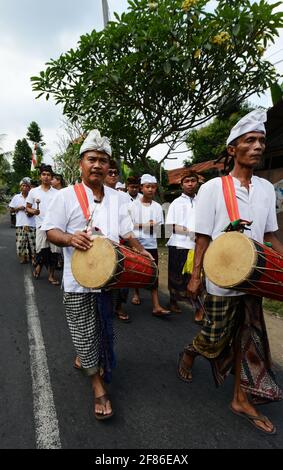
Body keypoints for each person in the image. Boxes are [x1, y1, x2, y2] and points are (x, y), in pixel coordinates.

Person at [178, 109, 283, 435]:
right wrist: (196, 276)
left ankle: (240, 398)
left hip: (254, 279)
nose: (257, 146)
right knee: (214, 337)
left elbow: (269, 236)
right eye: (249, 140)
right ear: (231, 149)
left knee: (246, 341)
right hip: (221, 278)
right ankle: (191, 351)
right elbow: (203, 236)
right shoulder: (212, 189)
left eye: (261, 141)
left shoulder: (266, 189)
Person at [42, 129, 150, 419]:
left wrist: (142, 252)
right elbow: (51, 230)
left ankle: (87, 355)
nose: (98, 165)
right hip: (76, 282)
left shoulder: (118, 199)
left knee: (101, 331)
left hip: (108, 281)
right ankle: (97, 385)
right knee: (83, 330)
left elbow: (127, 234)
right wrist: (69, 239)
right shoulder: (65, 196)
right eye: (92, 159)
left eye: (103, 160)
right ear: (81, 163)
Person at [129, 174, 171, 316]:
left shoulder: (158, 207)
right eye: (147, 187)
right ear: (141, 188)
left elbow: (159, 227)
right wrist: (145, 225)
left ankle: (156, 305)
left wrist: (149, 226)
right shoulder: (133, 205)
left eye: (153, 187)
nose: (151, 190)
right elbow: (128, 226)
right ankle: (136, 293)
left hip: (151, 244)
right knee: (135, 270)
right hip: (135, 243)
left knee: (154, 272)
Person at [166, 171, 203, 321]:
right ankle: (173, 301)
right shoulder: (176, 203)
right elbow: (170, 226)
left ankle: (199, 308)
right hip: (178, 244)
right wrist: (190, 233)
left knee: (196, 277)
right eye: (186, 181)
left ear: (197, 183)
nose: (190, 184)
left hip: (197, 246)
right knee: (176, 276)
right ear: (181, 185)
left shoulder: (202, 202)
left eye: (192, 181)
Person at [104, 161, 131, 323]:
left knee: (122, 279)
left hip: (122, 243)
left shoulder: (124, 197)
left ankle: (119, 307)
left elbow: (127, 223)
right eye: (110, 172)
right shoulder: (95, 195)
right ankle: (106, 308)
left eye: (115, 173)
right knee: (105, 278)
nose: (113, 175)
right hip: (102, 245)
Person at [26, 164, 60, 285]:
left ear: (51, 177)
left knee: (54, 252)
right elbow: (28, 208)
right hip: (40, 225)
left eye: (48, 175)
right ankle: (38, 268)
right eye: (44, 174)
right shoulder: (33, 192)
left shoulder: (57, 193)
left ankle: (51, 276)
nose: (46, 177)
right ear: (40, 176)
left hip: (54, 227)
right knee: (41, 250)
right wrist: (33, 211)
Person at [9, 178, 36, 264]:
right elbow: (11, 210)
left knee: (33, 244)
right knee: (20, 244)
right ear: (20, 187)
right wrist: (19, 208)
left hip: (31, 224)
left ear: (29, 187)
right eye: (23, 185)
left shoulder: (33, 197)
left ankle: (34, 259)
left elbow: (36, 210)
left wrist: (30, 211)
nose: (24, 187)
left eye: (26, 186)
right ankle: (24, 258)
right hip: (20, 224)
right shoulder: (16, 197)